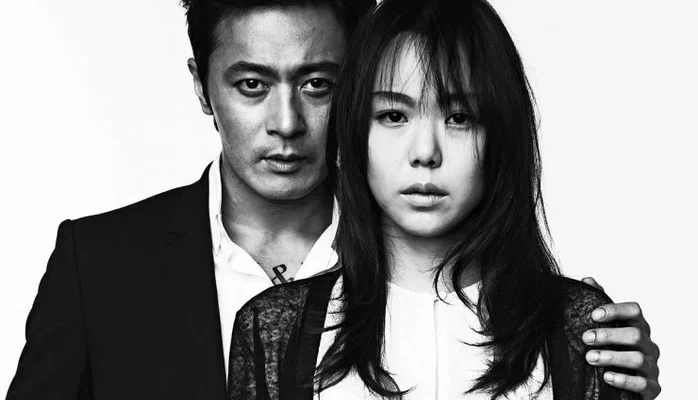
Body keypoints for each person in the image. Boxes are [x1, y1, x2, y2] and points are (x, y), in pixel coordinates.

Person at [5, 0, 659, 399]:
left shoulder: (447, 250)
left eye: (317, 83)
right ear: (203, 87)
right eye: (251, 85)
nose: (286, 123)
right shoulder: (99, 263)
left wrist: (609, 373)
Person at [227, 0, 660, 399]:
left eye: (458, 117)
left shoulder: (582, 330)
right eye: (393, 115)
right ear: (355, 134)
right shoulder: (275, 329)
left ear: (501, 136)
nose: (425, 152)